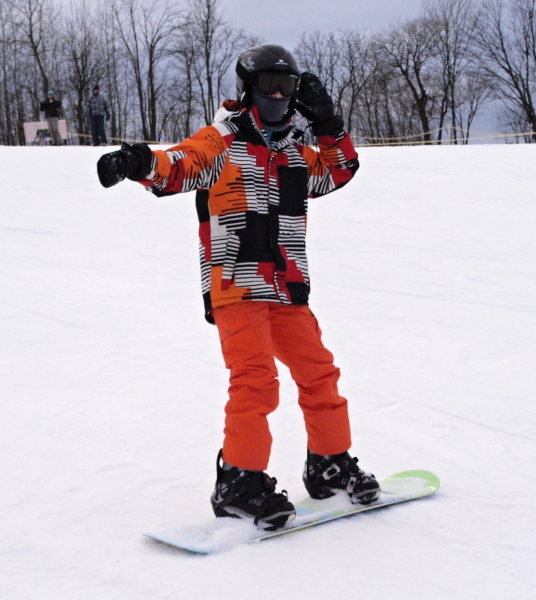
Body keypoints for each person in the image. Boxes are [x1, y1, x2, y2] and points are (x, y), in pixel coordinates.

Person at [96, 43, 380, 531]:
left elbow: (339, 170)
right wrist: (137, 163)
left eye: (287, 86)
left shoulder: (295, 152)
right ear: (248, 88)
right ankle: (239, 482)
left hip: (287, 285)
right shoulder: (222, 141)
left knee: (319, 371)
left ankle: (329, 462)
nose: (278, 95)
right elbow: (179, 165)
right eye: (269, 84)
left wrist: (329, 123)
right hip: (236, 284)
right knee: (255, 379)